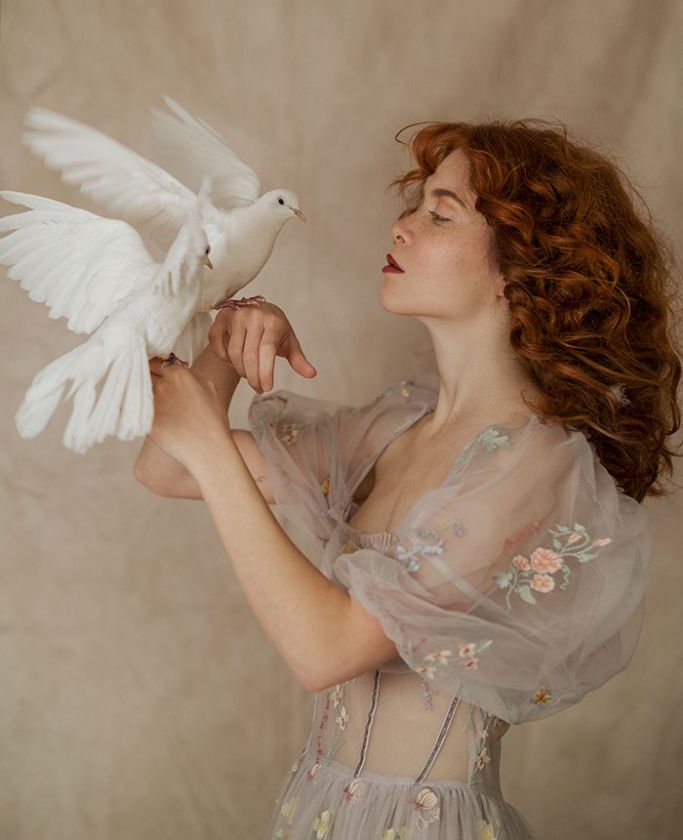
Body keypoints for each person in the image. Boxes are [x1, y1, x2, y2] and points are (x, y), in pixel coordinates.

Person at [133, 117, 681, 839]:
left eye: (439, 213)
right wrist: (228, 347)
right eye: (414, 204)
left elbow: (324, 651)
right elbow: (166, 466)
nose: (400, 227)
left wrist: (206, 440)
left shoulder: (535, 464)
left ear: (520, 270)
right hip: (316, 812)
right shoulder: (396, 426)